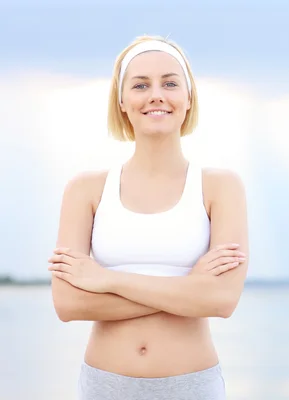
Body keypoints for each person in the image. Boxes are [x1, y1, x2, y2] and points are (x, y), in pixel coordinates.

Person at [48, 34, 249, 400]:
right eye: (141, 85)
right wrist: (190, 288)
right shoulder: (85, 190)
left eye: (170, 83)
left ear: (188, 98)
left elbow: (221, 301)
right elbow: (68, 304)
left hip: (192, 386)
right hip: (104, 385)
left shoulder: (220, 187)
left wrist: (104, 279)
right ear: (122, 101)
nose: (156, 94)